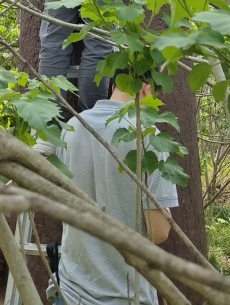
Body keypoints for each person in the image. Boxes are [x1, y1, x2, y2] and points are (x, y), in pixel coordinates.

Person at [51, 73, 179, 305]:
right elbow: (158, 232)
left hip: (71, 291)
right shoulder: (149, 138)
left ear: (112, 86)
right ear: (147, 89)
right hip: (124, 294)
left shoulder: (72, 127)